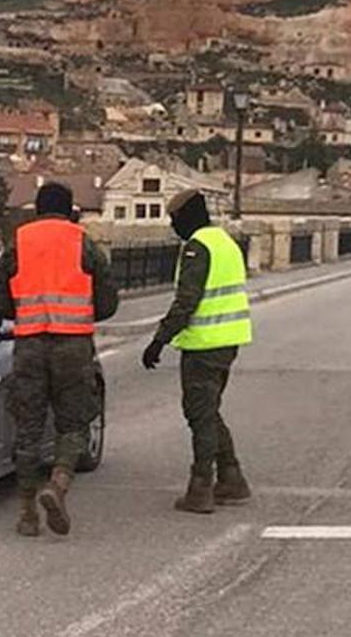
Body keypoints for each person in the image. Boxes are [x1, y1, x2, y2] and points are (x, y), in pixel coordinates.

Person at [0, 182, 118, 536]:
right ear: (70, 210)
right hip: (73, 346)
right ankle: (58, 484)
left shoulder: (20, 241)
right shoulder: (83, 242)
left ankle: (28, 513)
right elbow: (108, 300)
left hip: (30, 345)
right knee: (73, 423)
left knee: (28, 427)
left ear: (38, 209)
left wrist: (22, 311)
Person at [141, 189, 253, 513]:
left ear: (187, 218)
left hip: (204, 343)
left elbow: (186, 301)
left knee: (199, 415)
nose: (173, 227)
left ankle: (201, 487)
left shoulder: (197, 248)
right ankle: (232, 477)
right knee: (209, 410)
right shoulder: (226, 243)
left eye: (175, 220)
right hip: (229, 340)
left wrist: (159, 340)